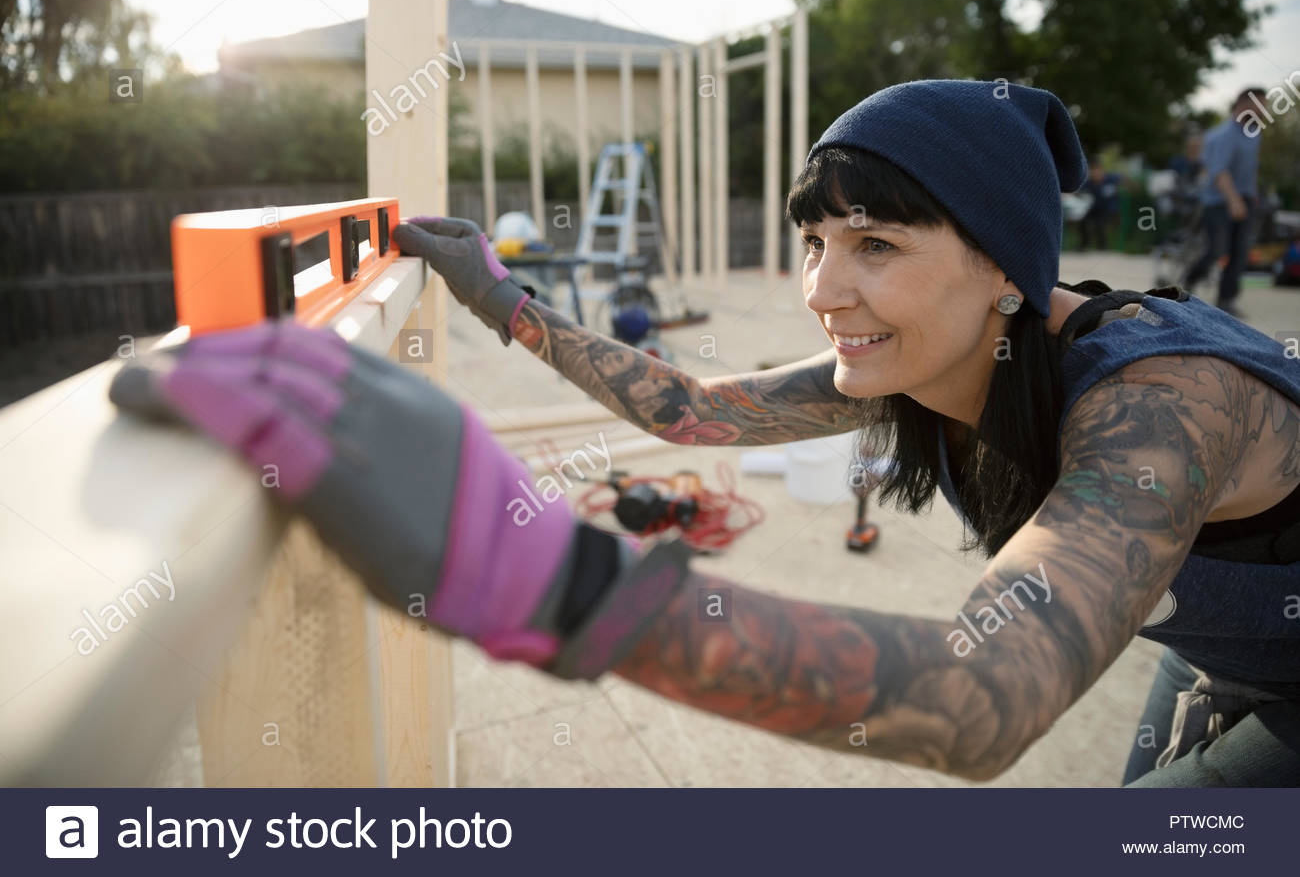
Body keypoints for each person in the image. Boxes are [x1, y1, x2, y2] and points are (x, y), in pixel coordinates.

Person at [110, 80, 1300, 786]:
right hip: (1232, 655)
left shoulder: (1163, 402)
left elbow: (987, 694)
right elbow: (691, 407)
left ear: (1006, 265)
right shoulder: (961, 343)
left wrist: (546, 578)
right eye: (815, 240)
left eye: (876, 244)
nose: (822, 288)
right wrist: (508, 302)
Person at [1181, 88, 1268, 318]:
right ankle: (1188, 280)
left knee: (1239, 253)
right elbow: (1219, 171)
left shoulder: (1253, 134)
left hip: (1246, 199)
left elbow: (1249, 171)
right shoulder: (1222, 135)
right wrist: (1234, 200)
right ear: (1243, 103)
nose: (1263, 110)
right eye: (1259, 105)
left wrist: (1251, 196)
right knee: (1218, 249)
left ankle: (1225, 300)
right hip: (1220, 202)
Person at [1077, 156, 1121, 251]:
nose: (1095, 173)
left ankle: (1103, 247)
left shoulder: (1111, 178)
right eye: (1093, 170)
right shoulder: (1089, 183)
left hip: (1109, 210)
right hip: (1095, 209)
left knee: (1100, 224)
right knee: (1083, 222)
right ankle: (1084, 245)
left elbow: (1125, 180)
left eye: (1097, 170)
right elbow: (1079, 192)